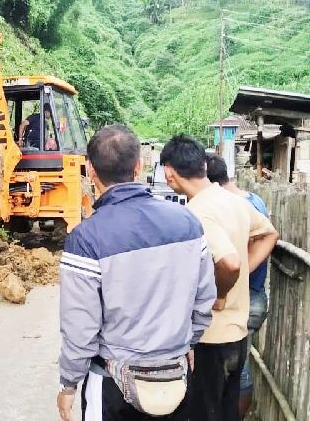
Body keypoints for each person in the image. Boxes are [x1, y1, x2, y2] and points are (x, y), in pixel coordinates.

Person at [57, 125, 217, 421]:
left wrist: (68, 384)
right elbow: (204, 299)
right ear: (139, 165)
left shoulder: (85, 239)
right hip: (176, 377)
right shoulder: (187, 223)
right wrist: (187, 342)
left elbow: (80, 329)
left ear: (90, 170)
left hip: (111, 385)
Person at [160, 136, 278, 421]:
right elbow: (268, 234)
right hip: (237, 334)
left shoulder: (196, 213)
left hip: (210, 339)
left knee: (204, 412)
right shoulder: (232, 200)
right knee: (227, 411)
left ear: (169, 174)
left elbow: (229, 261)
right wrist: (242, 274)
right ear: (203, 164)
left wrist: (220, 291)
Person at [205, 154, 271, 419]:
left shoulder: (226, 207)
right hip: (254, 296)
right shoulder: (254, 201)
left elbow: (231, 261)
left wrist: (240, 272)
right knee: (238, 366)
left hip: (239, 299)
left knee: (233, 369)